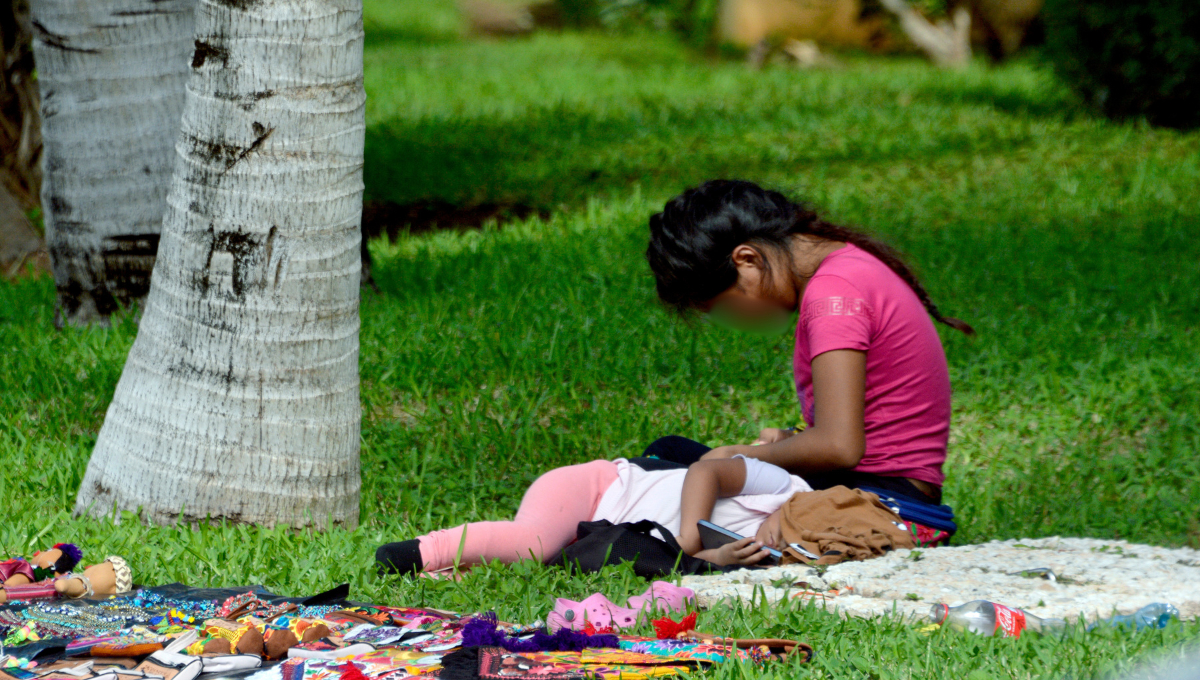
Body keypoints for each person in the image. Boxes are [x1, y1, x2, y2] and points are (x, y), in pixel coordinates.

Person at [643, 180, 972, 546]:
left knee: (670, 471)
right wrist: (792, 443)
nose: (737, 320)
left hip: (886, 499)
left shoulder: (834, 296)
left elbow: (839, 446)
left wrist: (742, 455)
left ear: (747, 259)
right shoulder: (847, 266)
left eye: (728, 305)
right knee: (672, 455)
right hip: (877, 482)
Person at [376, 455, 810, 575]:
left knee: (551, 562)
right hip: (595, 489)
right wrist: (692, 543)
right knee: (535, 544)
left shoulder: (768, 551)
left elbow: (683, 565)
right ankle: (425, 550)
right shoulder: (782, 485)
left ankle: (456, 564)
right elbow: (706, 469)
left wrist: (716, 560)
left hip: (599, 533)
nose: (782, 543)